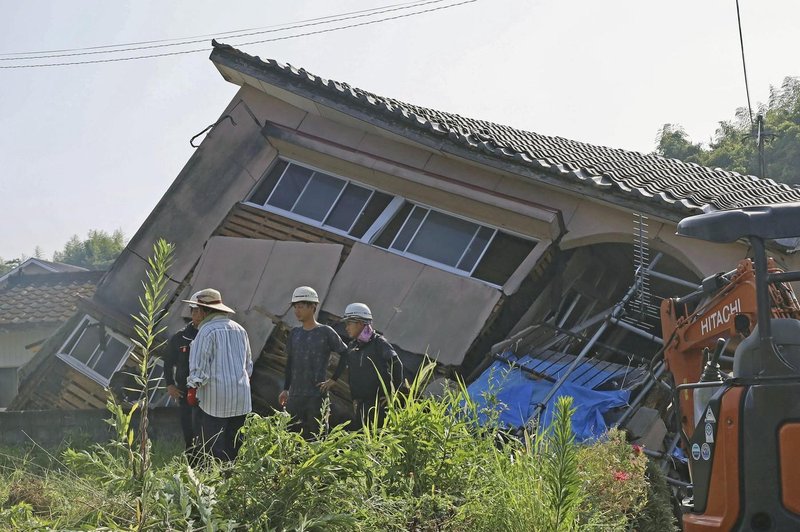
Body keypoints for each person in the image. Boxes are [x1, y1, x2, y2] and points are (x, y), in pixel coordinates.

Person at [185, 288, 253, 461]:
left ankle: (216, 483)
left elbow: (199, 368)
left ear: (203, 310)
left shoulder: (206, 331)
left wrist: (192, 389)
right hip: (241, 399)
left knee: (213, 447)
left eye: (196, 310)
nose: (194, 314)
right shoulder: (240, 329)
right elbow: (248, 366)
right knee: (235, 447)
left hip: (215, 400)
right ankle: (234, 481)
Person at [321, 303, 404, 430]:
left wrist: (393, 394)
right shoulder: (353, 346)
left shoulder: (379, 343)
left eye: (349, 323)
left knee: (378, 439)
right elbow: (348, 367)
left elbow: (396, 364)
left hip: (379, 405)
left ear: (360, 323)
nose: (346, 327)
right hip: (361, 405)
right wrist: (353, 396)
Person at [279, 286, 347, 437]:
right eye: (295, 307)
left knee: (317, 438)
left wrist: (333, 380)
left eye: (301, 307)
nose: (297, 311)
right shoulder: (295, 334)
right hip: (295, 396)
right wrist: (285, 389)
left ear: (313, 307)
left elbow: (346, 353)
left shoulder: (325, 332)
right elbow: (290, 362)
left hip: (316, 396)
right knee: (287, 437)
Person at [162, 311, 200, 456]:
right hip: (185, 392)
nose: (198, 315)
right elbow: (168, 362)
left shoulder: (211, 334)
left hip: (207, 391)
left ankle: (208, 467)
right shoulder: (180, 337)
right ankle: (192, 465)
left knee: (206, 431)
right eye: (195, 311)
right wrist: (170, 384)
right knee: (189, 431)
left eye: (202, 311)